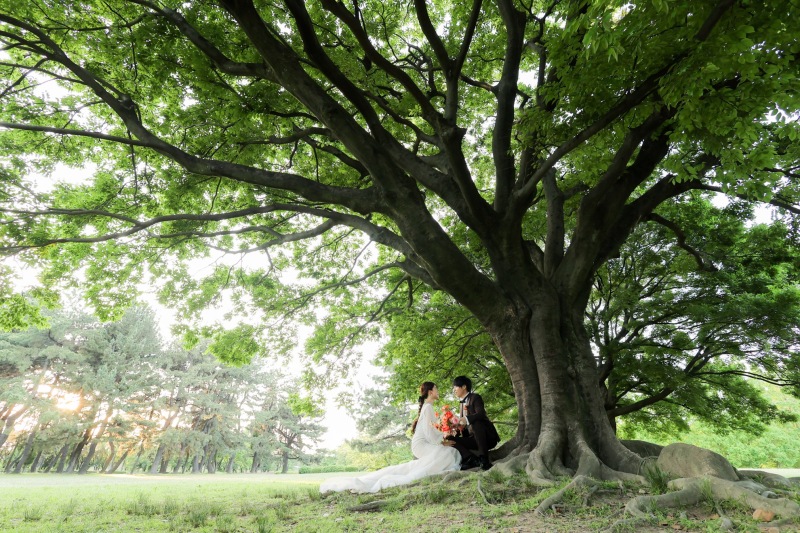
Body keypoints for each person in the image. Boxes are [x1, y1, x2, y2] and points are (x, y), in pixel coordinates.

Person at [319, 382, 461, 494]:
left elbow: (429, 431)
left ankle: (417, 472)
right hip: (421, 445)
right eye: (436, 389)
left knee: (441, 454)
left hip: (421, 444)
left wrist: (443, 438)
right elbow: (430, 433)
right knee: (447, 453)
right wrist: (443, 441)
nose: (438, 391)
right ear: (430, 392)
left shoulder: (427, 407)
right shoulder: (428, 407)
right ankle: (413, 476)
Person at [448, 376, 500, 471]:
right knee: (449, 438)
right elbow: (464, 426)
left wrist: (466, 419)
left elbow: (481, 414)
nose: (454, 390)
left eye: (455, 387)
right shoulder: (461, 404)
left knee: (476, 422)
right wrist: (457, 427)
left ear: (464, 386)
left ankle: (485, 460)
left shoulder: (475, 397)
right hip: (473, 439)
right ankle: (471, 459)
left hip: (487, 437)